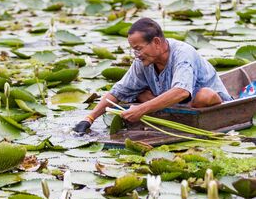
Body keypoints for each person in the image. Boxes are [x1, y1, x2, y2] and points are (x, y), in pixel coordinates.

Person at [73, 17, 232, 134]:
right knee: (138, 92)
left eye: (139, 49)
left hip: (207, 103)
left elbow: (182, 91)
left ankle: (175, 116)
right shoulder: (143, 61)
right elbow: (118, 91)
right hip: (176, 107)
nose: (137, 54)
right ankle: (173, 116)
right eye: (134, 50)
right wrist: (89, 118)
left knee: (204, 96)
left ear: (156, 42)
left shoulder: (183, 53)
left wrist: (141, 110)